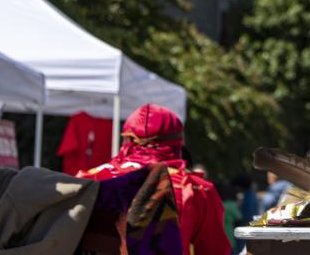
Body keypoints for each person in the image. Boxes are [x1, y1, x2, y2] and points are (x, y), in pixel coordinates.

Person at [79, 103, 231, 255]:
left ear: (127, 138)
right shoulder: (196, 189)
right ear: (177, 142)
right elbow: (215, 250)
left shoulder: (88, 179)